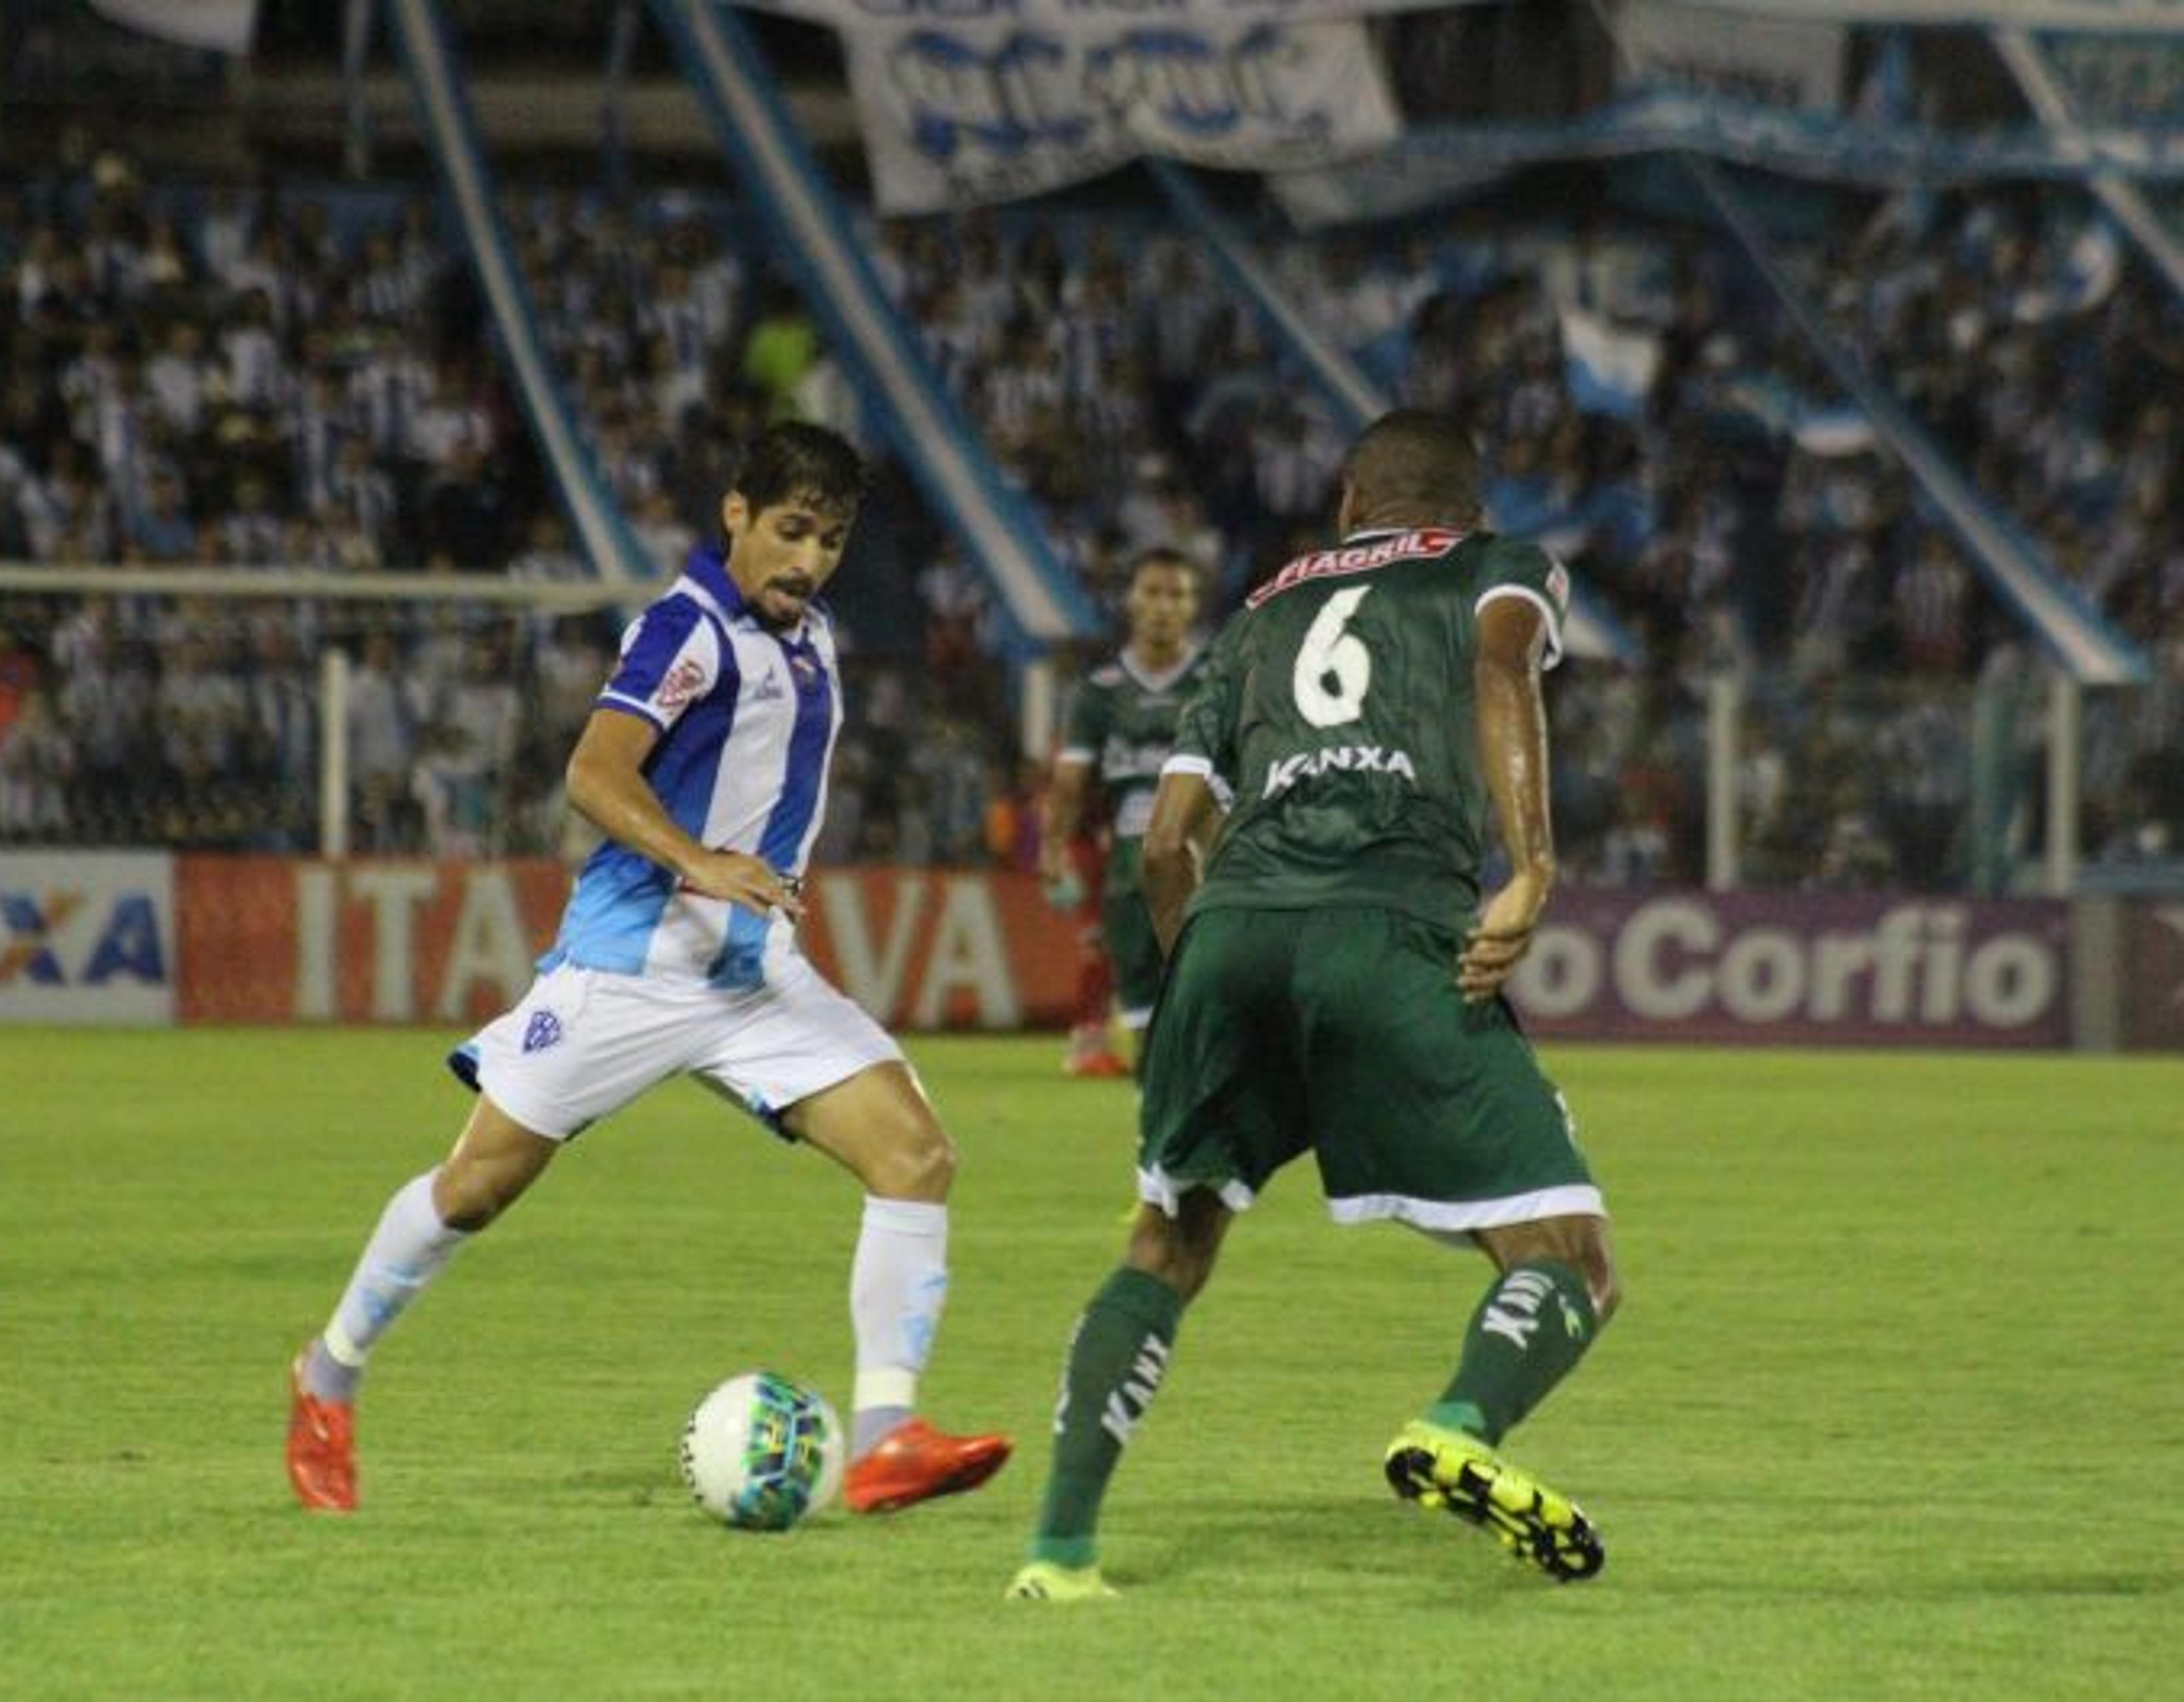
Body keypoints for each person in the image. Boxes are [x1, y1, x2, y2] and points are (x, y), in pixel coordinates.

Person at [287, 422, 1012, 1515]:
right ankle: (326, 1377)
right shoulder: (688, 630)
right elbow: (593, 771)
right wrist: (697, 859)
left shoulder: (812, 639)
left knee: (915, 1155)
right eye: (790, 530)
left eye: (831, 539)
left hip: (754, 977)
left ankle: (885, 1436)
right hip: (632, 965)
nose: (809, 559)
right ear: (736, 514)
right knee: (476, 1187)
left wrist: (737, 880)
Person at [1006, 410, 1623, 1600]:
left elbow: (1164, 849)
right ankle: (1458, 1421)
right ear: (1469, 512)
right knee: (1569, 1257)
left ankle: (1059, 1550)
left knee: (1166, 1243)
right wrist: (1532, 865)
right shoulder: (1499, 569)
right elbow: (1502, 667)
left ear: (1349, 504)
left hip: (1231, 929)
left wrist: (1205, 986)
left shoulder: (1255, 615)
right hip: (1390, 926)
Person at [1039, 548, 1209, 1078]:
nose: (1163, 606)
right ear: (1132, 602)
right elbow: (1069, 785)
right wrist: (1052, 849)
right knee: (1147, 1031)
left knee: (1207, 1002)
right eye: (1152, 592)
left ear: (1193, 606)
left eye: (1176, 594)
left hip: (1210, 866)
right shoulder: (1099, 693)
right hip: (1127, 872)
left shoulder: (1217, 681)